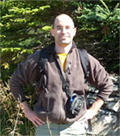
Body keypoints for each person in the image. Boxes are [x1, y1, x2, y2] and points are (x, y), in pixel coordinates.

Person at [10, 14, 113, 136]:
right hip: (45, 128)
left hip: (76, 128)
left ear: (74, 31)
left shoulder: (84, 58)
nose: (64, 31)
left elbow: (107, 84)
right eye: (59, 27)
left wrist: (94, 109)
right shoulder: (40, 58)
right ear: (52, 31)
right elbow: (15, 82)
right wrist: (26, 110)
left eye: (68, 27)